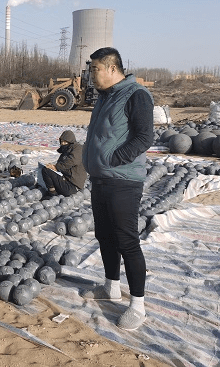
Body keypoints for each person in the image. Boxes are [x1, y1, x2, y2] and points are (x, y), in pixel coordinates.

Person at [81, 47, 154, 331]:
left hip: (123, 180)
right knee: (105, 236)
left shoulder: (136, 95)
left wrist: (114, 159)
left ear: (112, 68)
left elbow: (144, 137)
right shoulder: (105, 96)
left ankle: (138, 305)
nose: (91, 75)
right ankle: (111, 287)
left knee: (127, 241)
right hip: (101, 178)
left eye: (95, 69)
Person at [41, 130, 86, 197]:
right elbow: (63, 164)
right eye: (62, 141)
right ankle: (53, 191)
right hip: (67, 180)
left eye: (65, 142)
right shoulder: (67, 150)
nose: (63, 143)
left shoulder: (78, 149)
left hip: (72, 187)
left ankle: (52, 194)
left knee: (46, 170)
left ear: (70, 141)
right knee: (48, 168)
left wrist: (56, 167)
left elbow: (71, 161)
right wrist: (53, 166)